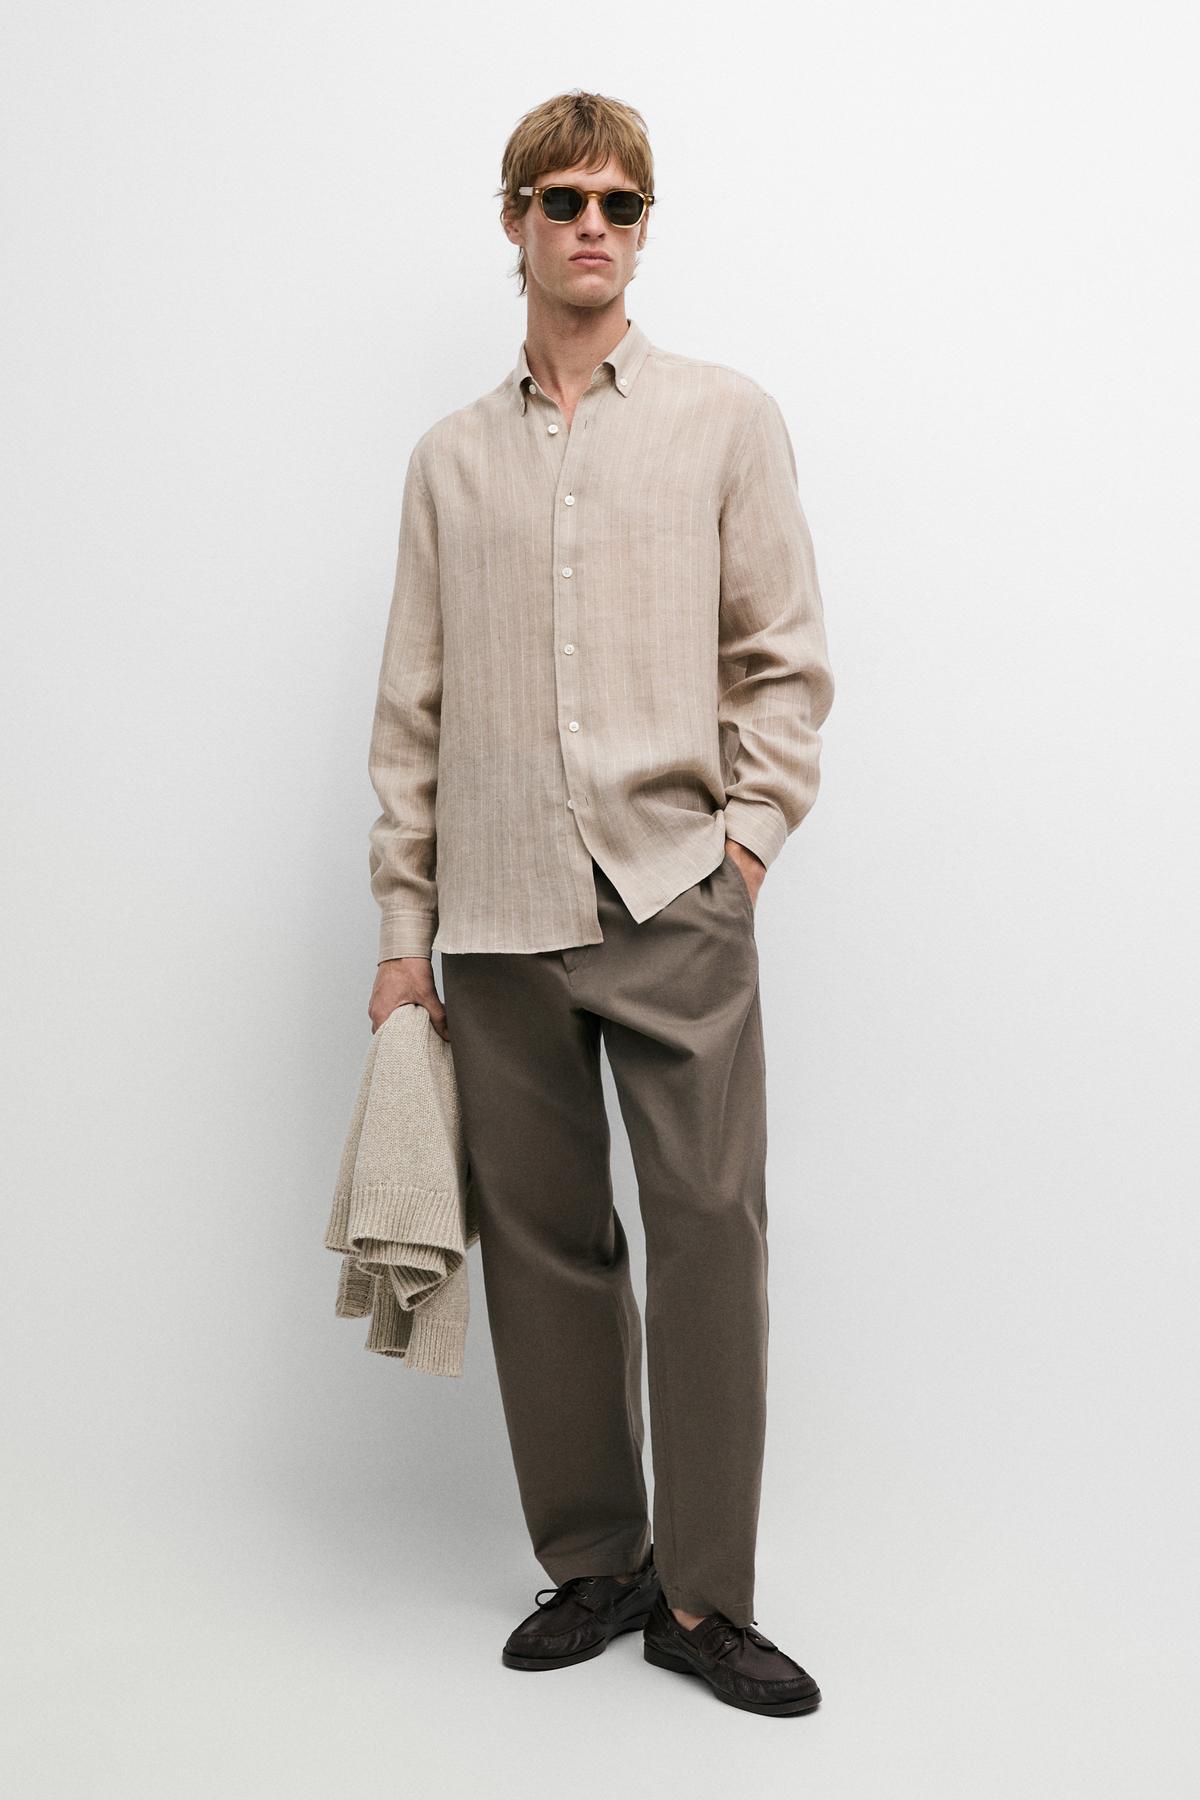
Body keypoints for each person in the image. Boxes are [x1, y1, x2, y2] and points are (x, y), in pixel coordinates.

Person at [364, 89, 834, 1718]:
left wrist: (742, 851)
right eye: (561, 199)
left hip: (671, 894)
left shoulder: (725, 419)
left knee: (709, 1233)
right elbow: (410, 712)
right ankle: (596, 1562)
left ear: (644, 228)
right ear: (514, 220)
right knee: (545, 1248)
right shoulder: (448, 462)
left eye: (619, 203)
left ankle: (703, 1602)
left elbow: (784, 664)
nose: (590, 226)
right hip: (495, 916)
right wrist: (404, 935)